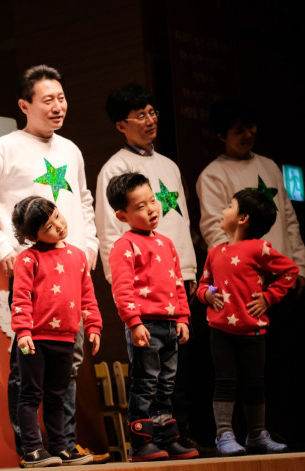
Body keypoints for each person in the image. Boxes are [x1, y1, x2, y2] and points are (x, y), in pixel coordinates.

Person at [0, 65, 99, 458]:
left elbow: (84, 201)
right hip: (33, 272)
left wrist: (88, 246)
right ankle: (31, 448)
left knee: (68, 363)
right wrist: (3, 248)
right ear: (25, 105)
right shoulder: (5, 148)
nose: (58, 107)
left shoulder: (70, 149)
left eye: (61, 98)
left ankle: (63, 443)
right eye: (48, 100)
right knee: (27, 363)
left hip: (71, 271)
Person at [196, 189, 297, 456]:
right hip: (220, 330)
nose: (223, 211)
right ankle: (224, 434)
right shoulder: (215, 251)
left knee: (254, 383)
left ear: (243, 218)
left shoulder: (259, 249)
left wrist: (268, 297)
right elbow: (204, 284)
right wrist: (207, 294)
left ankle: (256, 434)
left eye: (229, 206)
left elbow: (290, 271)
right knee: (224, 381)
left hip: (253, 330)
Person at [106, 172, 197, 462]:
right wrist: (134, 323)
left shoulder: (167, 243)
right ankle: (141, 442)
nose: (152, 209)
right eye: (141, 206)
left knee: (166, 385)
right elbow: (122, 290)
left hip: (170, 325)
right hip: (145, 325)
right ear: (123, 216)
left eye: (153, 201)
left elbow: (178, 283)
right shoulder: (124, 245)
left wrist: (182, 318)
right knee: (145, 383)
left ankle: (166, 439)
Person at [10, 196, 102, 467]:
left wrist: (94, 326)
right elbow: (21, 297)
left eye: (58, 217)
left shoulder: (78, 255)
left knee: (57, 396)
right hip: (35, 339)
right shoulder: (28, 258)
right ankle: (32, 449)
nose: (59, 226)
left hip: (66, 338)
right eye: (49, 227)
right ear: (32, 236)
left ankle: (60, 447)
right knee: (30, 394)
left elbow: (88, 296)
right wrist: (23, 331)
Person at [196, 96, 305, 291]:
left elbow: (289, 221)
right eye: (239, 131)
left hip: (283, 275)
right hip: (246, 280)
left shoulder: (270, 166)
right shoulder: (212, 175)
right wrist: (234, 274)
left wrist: (300, 267)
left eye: (251, 127)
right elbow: (215, 231)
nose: (248, 135)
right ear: (222, 136)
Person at [95, 83, 196, 288]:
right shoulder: (115, 169)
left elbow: (182, 222)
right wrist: (118, 280)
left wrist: (189, 270)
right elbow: (109, 231)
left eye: (152, 112)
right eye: (141, 116)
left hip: (181, 274)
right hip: (145, 278)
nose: (150, 121)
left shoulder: (170, 165)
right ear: (121, 126)